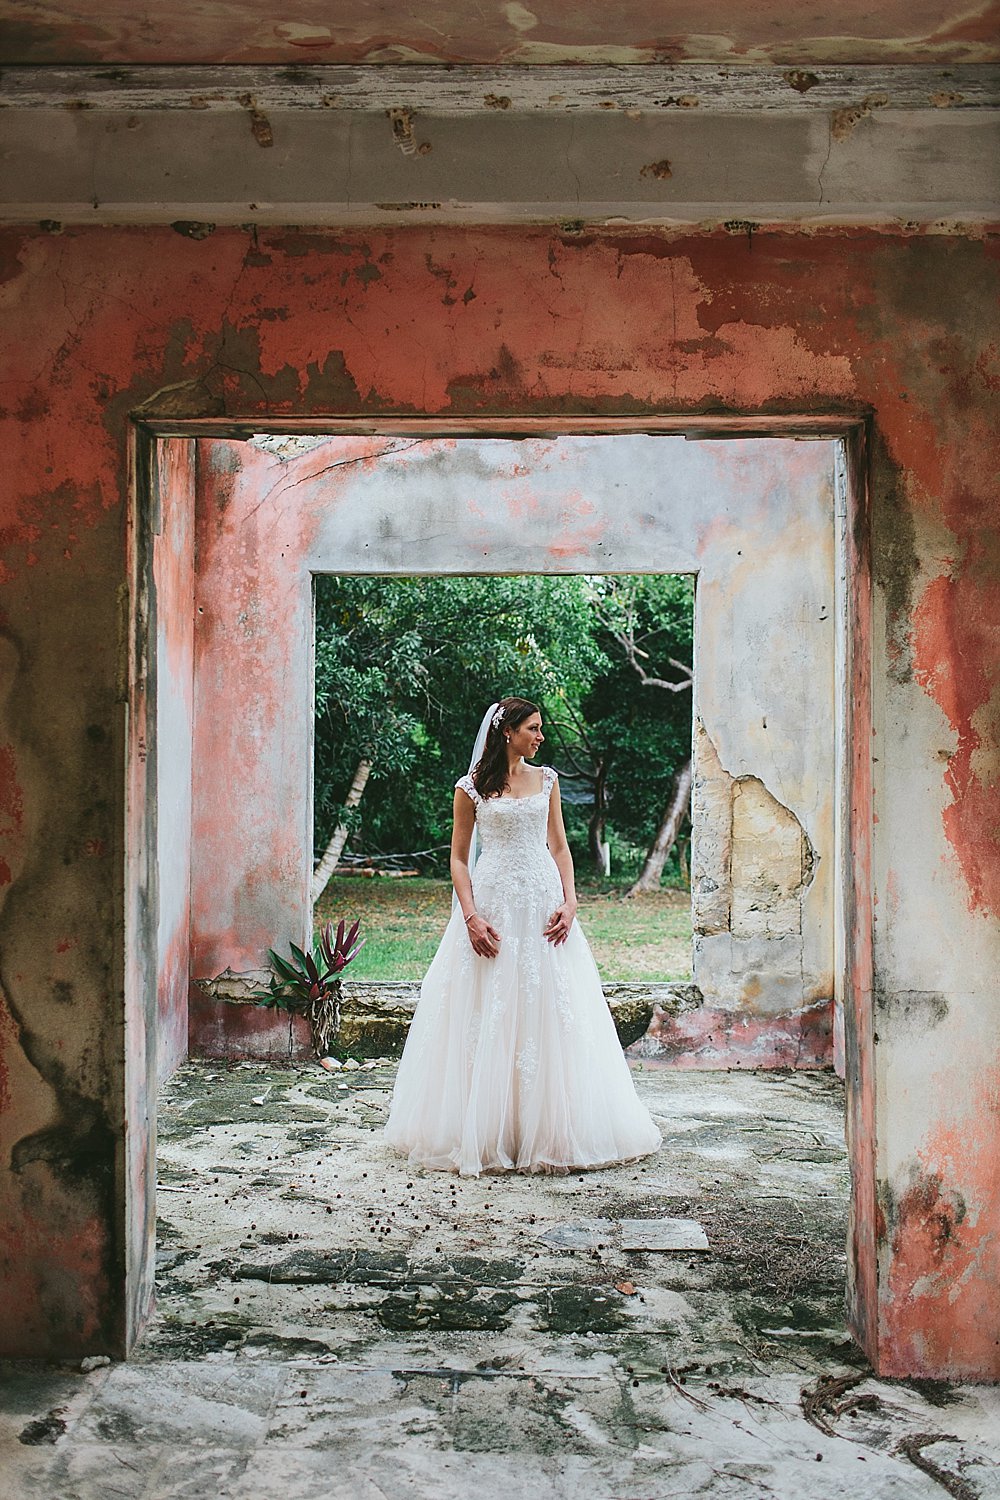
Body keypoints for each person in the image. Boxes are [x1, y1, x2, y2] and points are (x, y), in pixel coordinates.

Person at [385, 696, 662, 1177]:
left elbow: (558, 845)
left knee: (549, 1011)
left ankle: (548, 1131)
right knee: (486, 1011)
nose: (540, 736)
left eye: (540, 729)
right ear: (507, 732)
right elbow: (457, 857)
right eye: (533, 728)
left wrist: (571, 901)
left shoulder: (548, 779)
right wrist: (470, 916)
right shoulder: (470, 788)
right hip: (492, 905)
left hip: (541, 905)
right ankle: (489, 1130)